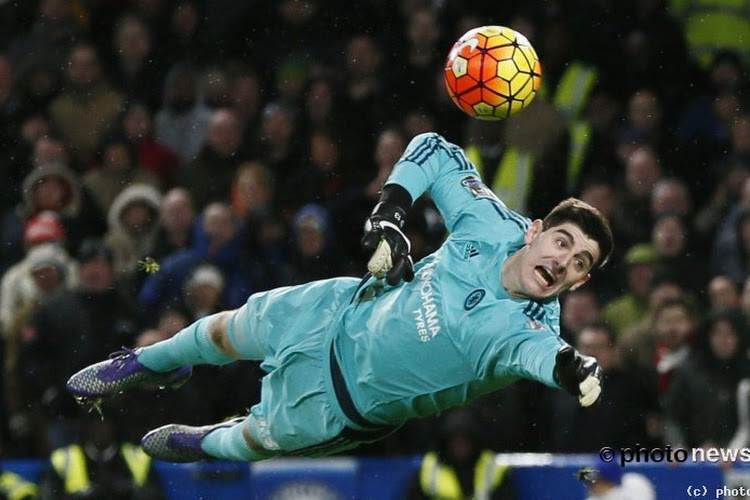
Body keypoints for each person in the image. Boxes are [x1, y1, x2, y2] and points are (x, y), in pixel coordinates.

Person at [66, 132, 613, 463]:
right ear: (535, 230)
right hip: (337, 310)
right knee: (225, 329)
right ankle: (148, 362)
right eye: (561, 242)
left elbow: (542, 357)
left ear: (579, 282)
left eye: (579, 262)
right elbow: (434, 151)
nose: (563, 260)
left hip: (346, 402)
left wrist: (571, 368)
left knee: (258, 438)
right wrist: (391, 214)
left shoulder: (531, 329)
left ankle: (206, 442)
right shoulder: (492, 223)